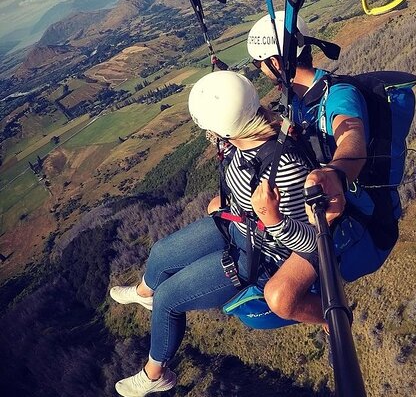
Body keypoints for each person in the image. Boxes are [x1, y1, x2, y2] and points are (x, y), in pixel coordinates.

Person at [108, 71, 322, 397]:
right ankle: (144, 291)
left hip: (257, 253)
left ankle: (155, 374)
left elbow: (312, 241)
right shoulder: (251, 136)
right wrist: (233, 203)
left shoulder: (284, 167)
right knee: (161, 253)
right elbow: (245, 178)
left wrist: (272, 217)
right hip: (239, 222)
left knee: (169, 300)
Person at [247, 12, 397, 323]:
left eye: (257, 64)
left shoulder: (338, 95)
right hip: (323, 204)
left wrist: (336, 173)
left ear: (275, 62)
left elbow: (351, 135)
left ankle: (334, 322)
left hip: (356, 216)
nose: (259, 72)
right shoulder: (298, 99)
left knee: (280, 297)